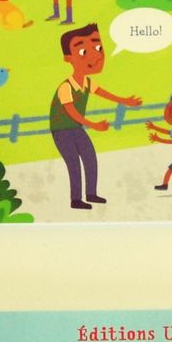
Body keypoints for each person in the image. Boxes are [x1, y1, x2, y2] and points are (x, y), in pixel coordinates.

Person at [49, 25, 142, 212]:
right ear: (68, 58)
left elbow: (103, 93)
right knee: (74, 163)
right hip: (62, 130)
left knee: (90, 158)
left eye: (98, 47)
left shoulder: (87, 82)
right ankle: (76, 199)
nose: (95, 55)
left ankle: (91, 193)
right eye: (83, 51)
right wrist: (93, 125)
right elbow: (71, 111)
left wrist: (124, 101)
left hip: (76, 128)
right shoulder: (66, 87)